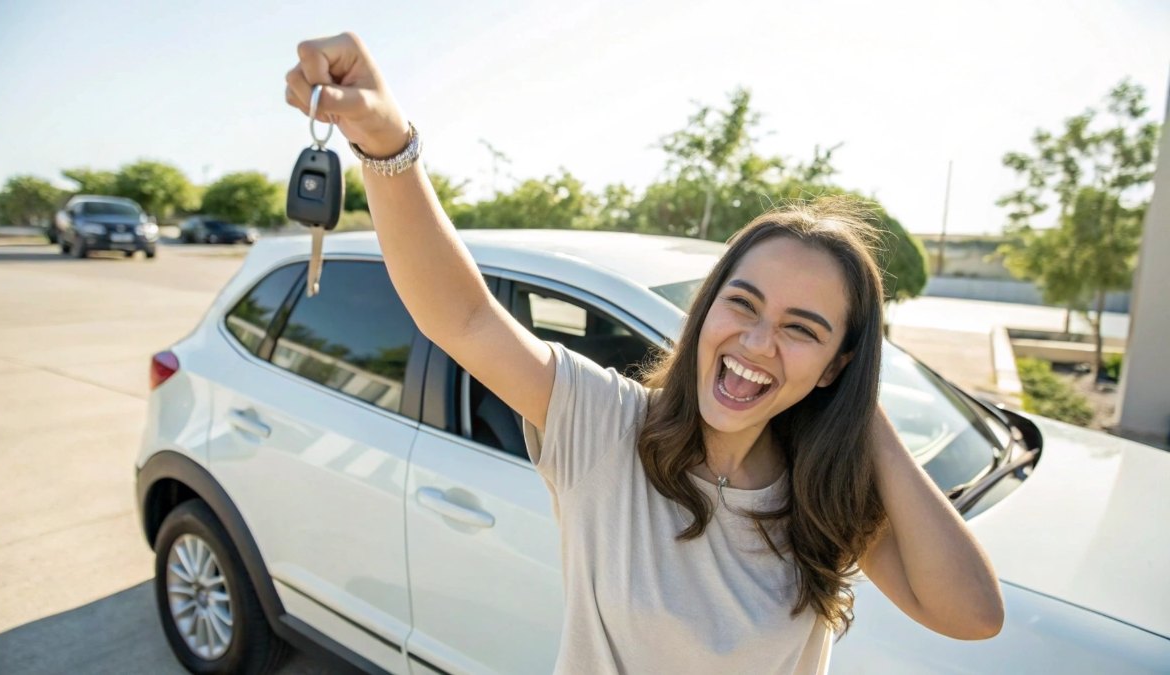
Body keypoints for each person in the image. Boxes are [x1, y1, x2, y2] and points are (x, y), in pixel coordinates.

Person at [284, 32, 1004, 674]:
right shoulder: (607, 428)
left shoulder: (825, 494)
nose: (756, 343)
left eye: (802, 329)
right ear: (708, 308)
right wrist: (385, 140)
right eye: (742, 304)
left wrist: (857, 409)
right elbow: (464, 317)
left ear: (839, 364)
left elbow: (974, 615)